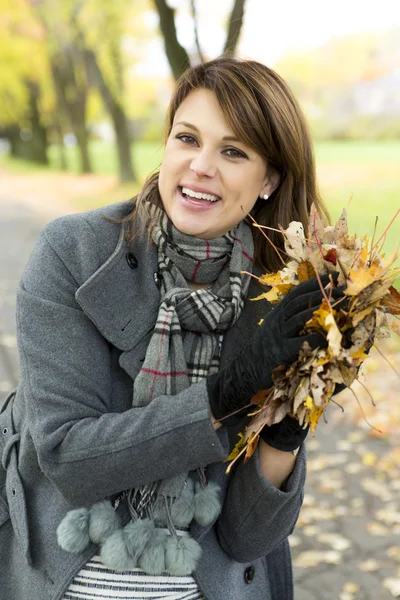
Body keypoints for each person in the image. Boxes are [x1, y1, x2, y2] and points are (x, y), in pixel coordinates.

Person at [0, 56, 343, 600]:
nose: (201, 165)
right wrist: (226, 395)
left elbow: (248, 538)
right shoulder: (73, 253)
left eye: (233, 151)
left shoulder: (277, 293)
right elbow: (68, 456)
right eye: (188, 138)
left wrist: (287, 430)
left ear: (269, 179)